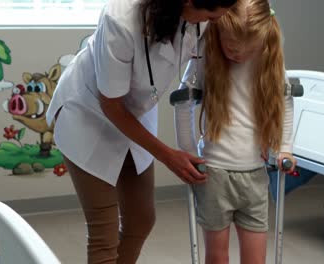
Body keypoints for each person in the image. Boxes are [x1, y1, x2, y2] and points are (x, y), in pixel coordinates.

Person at [45, 0, 236, 263]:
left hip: (136, 111)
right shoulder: (120, 19)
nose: (214, 22)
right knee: (104, 234)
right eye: (210, 15)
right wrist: (169, 155)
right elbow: (111, 105)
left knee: (141, 219)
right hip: (89, 115)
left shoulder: (195, 15)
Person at [175, 0, 296, 263]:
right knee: (217, 257)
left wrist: (285, 147)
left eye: (245, 48)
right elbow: (182, 100)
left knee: (256, 258)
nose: (236, 54)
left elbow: (285, 99)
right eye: (229, 44)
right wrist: (187, 150)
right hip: (214, 174)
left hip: (255, 173)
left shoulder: (268, 52)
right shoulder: (207, 48)